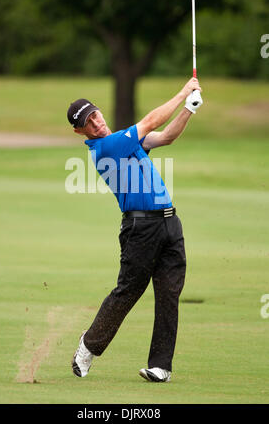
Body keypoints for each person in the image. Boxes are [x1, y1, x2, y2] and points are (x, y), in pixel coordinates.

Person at [67, 77, 202, 383]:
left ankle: (160, 366)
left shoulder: (125, 140)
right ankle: (88, 347)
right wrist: (183, 92)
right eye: (87, 123)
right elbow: (152, 120)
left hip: (170, 222)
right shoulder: (106, 147)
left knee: (169, 293)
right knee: (128, 291)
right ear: (80, 132)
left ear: (101, 112)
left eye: (95, 115)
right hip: (140, 227)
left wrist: (189, 109)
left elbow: (166, 136)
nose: (96, 123)